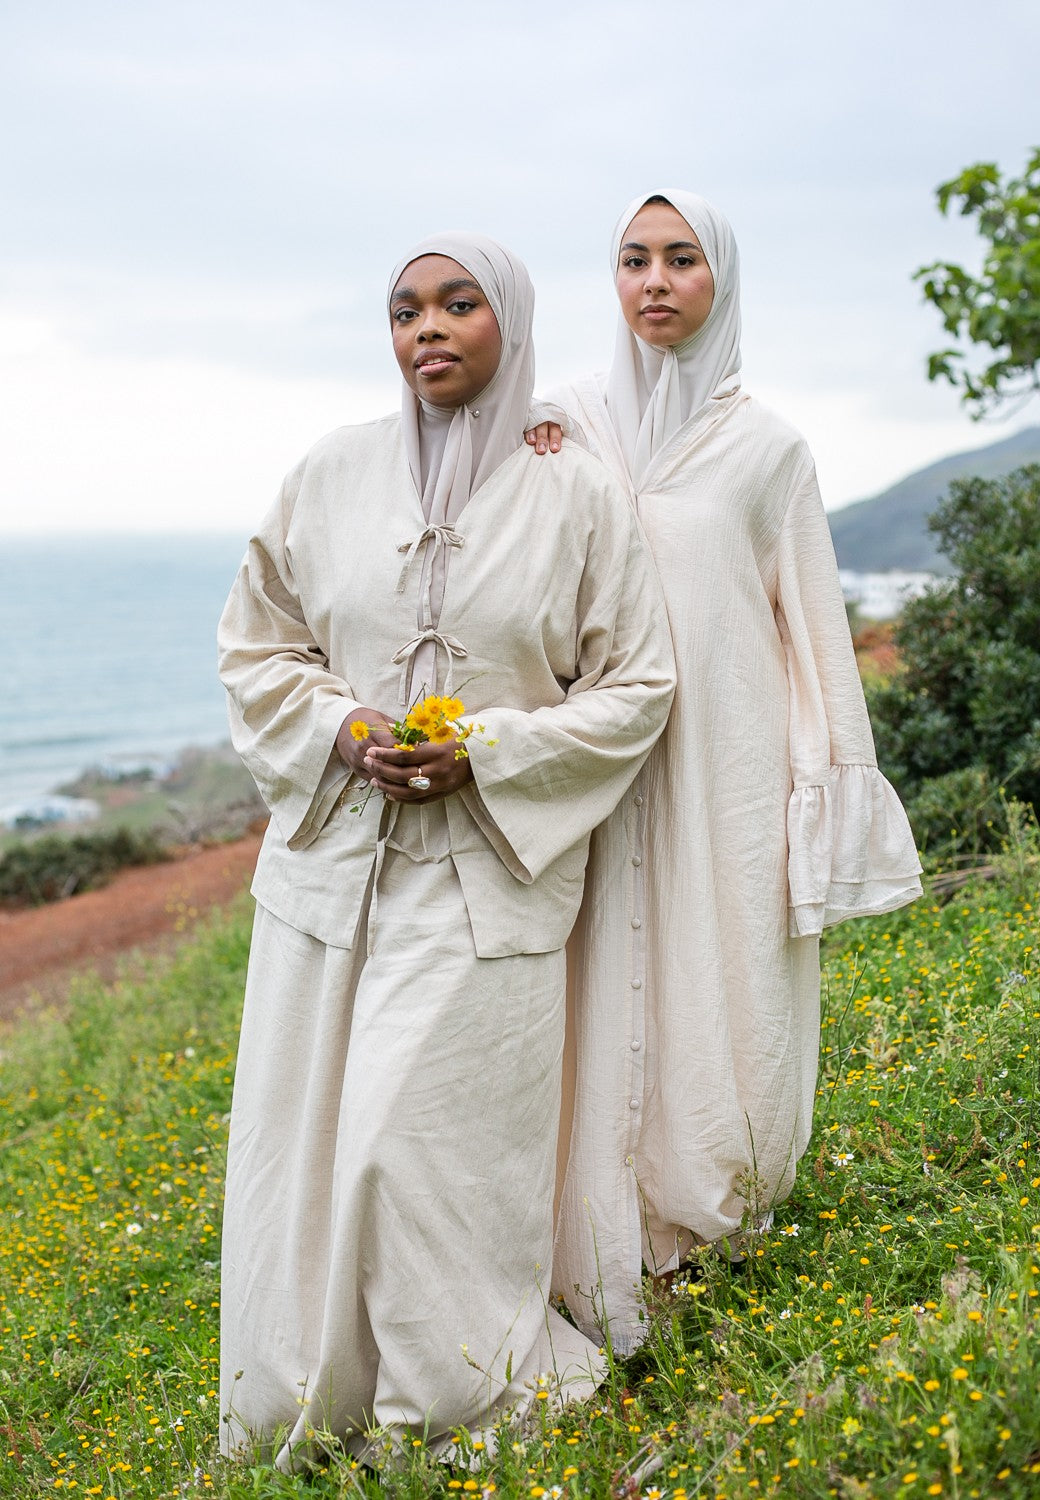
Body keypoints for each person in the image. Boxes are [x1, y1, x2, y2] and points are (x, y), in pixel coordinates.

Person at [216, 231, 675, 1466]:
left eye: (458, 303)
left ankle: (462, 1398)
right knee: (303, 1149)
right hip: (327, 874)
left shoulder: (576, 493)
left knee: (406, 1148)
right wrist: (341, 725)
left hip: (488, 879)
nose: (427, 327)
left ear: (506, 322)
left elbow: (636, 684)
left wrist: (490, 749)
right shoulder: (327, 473)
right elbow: (257, 645)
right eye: (405, 308)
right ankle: (309, 1402)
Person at [530, 191, 922, 1354]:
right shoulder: (558, 423)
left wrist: (826, 784)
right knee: (591, 977)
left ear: (721, 278)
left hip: (722, 760)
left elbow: (811, 627)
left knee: (720, 970)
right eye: (633, 259)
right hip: (591, 755)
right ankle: (583, 1232)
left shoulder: (768, 450)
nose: (654, 281)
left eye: (681, 259)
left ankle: (704, 1216)